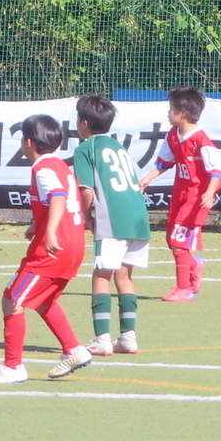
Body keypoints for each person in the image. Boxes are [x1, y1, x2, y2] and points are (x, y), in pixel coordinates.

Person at [0, 114, 94, 384]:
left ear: (29, 142)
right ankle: (73, 350)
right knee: (43, 300)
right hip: (72, 245)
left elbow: (57, 197)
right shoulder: (61, 166)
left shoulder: (42, 169)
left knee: (12, 300)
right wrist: (37, 225)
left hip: (53, 249)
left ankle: (13, 367)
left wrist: (50, 230)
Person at [71, 93, 150, 356]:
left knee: (101, 274)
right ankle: (128, 338)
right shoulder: (119, 148)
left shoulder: (85, 149)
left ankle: (102, 340)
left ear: (83, 123)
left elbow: (86, 191)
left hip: (113, 218)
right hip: (138, 217)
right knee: (124, 275)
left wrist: (85, 217)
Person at [137, 86, 221, 303]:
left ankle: (184, 289)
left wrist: (210, 192)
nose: (168, 113)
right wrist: (147, 178)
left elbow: (217, 171)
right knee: (171, 240)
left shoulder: (201, 140)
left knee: (178, 243)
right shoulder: (173, 135)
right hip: (179, 195)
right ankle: (194, 264)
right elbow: (164, 162)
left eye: (171, 109)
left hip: (195, 198)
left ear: (182, 113)